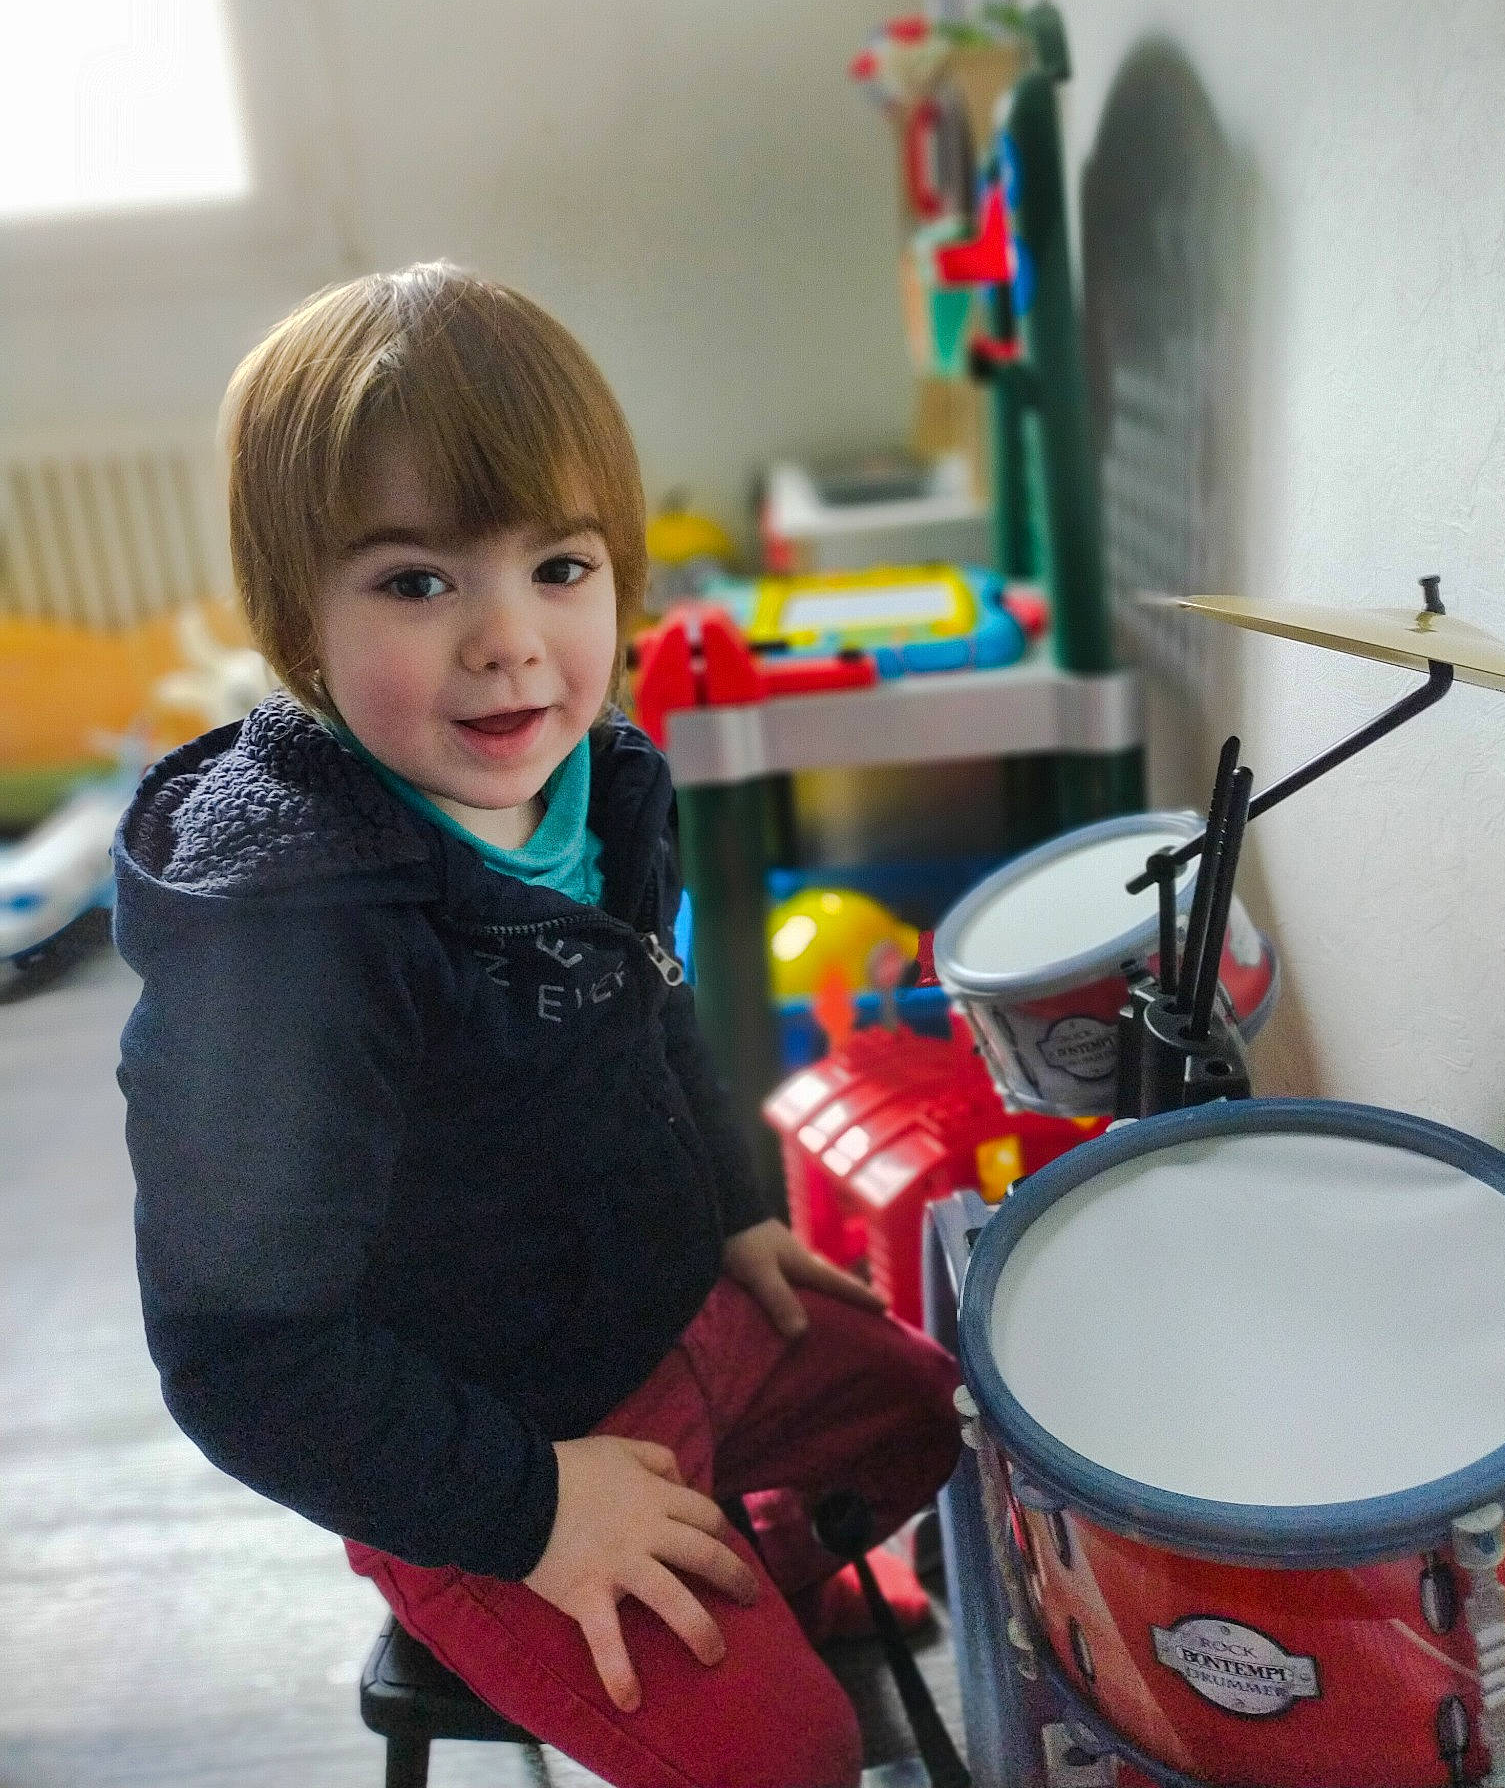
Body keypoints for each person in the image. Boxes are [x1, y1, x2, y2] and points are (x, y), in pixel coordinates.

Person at [114, 263, 962, 1788]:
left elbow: (654, 1004)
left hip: (670, 1312)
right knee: (797, 1755)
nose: (511, 643)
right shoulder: (287, 938)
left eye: (560, 568)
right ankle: (610, 1608)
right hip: (489, 1455)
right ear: (294, 615)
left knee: (926, 1416)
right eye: (419, 583)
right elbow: (242, 1354)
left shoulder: (601, 776)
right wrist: (534, 1511)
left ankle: (744, 1568)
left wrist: (737, 1213)